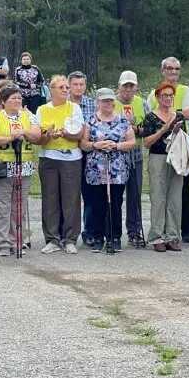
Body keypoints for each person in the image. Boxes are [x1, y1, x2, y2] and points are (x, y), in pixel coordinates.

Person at [0, 85, 41, 257]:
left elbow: (37, 135)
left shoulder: (28, 115)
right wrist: (11, 137)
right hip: (1, 165)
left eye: (19, 98)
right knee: (2, 206)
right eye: (12, 98)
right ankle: (3, 243)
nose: (17, 101)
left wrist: (24, 132)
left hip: (24, 166)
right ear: (3, 101)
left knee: (19, 206)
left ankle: (18, 240)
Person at [147, 57, 189, 243]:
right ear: (162, 70)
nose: (173, 71)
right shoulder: (153, 93)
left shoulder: (185, 90)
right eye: (169, 68)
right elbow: (151, 114)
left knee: (180, 193)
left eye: (176, 68)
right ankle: (159, 234)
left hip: (180, 148)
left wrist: (170, 112)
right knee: (159, 195)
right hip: (159, 150)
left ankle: (180, 232)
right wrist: (174, 115)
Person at [80, 88, 135, 252]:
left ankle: (114, 237)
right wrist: (95, 145)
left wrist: (117, 145)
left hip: (116, 169)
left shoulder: (123, 121)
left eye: (110, 100)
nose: (108, 104)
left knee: (115, 203)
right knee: (97, 204)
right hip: (96, 169)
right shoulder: (90, 120)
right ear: (98, 102)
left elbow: (132, 142)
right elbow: (83, 143)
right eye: (104, 101)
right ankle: (98, 237)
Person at [36, 75, 84, 254]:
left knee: (71, 200)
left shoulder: (75, 108)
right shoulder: (41, 110)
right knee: (50, 199)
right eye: (61, 87)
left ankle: (70, 239)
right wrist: (48, 136)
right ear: (52, 90)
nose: (65, 90)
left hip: (71, 158)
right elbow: (38, 138)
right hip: (49, 157)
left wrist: (65, 134)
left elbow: (79, 133)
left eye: (66, 87)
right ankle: (52, 239)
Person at [143, 81, 185, 251]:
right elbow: (146, 142)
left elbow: (183, 139)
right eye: (164, 95)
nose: (168, 98)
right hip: (158, 158)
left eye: (170, 95)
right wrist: (164, 129)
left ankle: (173, 235)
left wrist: (176, 132)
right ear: (158, 98)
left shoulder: (179, 116)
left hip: (176, 158)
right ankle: (157, 236)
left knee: (175, 198)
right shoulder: (151, 117)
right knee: (158, 197)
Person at [114, 70, 147, 247]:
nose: (128, 89)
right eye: (125, 85)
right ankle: (114, 232)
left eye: (131, 86)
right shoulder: (111, 103)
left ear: (136, 87)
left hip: (135, 156)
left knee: (135, 196)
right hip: (116, 157)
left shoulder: (141, 103)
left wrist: (137, 130)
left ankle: (134, 231)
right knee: (116, 197)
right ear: (119, 86)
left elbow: (148, 127)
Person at [68, 71, 96, 246]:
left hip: (88, 153)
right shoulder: (63, 105)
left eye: (81, 84)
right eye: (75, 84)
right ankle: (69, 233)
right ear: (69, 86)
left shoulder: (92, 104)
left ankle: (89, 231)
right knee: (70, 195)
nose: (78, 88)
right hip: (68, 154)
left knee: (90, 194)